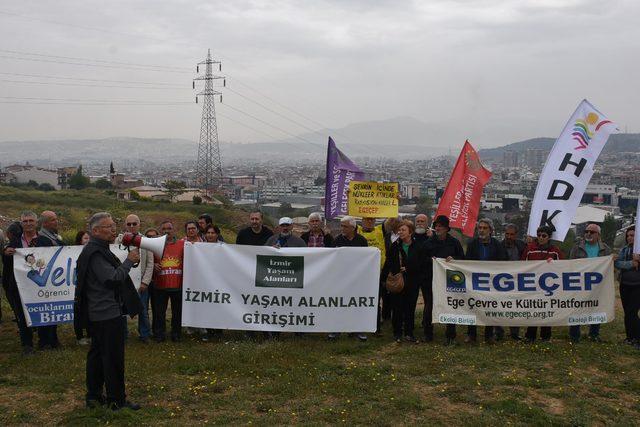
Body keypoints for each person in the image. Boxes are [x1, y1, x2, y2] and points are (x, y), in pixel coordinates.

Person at [75, 212, 142, 410]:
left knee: (97, 356)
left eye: (114, 225)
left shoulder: (97, 249)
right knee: (112, 359)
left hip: (99, 313)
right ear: (95, 231)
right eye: (108, 227)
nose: (114, 230)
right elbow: (112, 278)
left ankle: (94, 397)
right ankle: (116, 400)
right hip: (106, 314)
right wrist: (129, 261)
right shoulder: (96, 253)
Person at [464, 218, 507, 344]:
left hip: (491, 283)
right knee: (473, 307)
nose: (481, 230)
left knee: (490, 308)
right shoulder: (472, 244)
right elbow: (466, 262)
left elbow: (503, 262)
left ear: (491, 230)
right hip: (475, 281)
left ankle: (489, 335)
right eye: (480, 228)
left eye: (484, 228)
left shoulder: (497, 245)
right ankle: (471, 334)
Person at [568, 223, 612, 342]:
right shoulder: (577, 247)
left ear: (598, 235)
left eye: (592, 232)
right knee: (576, 308)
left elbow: (609, 267)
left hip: (597, 285)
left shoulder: (606, 249)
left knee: (596, 308)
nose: (588, 234)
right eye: (586, 231)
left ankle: (594, 334)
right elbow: (570, 265)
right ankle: (574, 335)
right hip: (579, 284)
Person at [384, 220, 426, 343]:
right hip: (398, 282)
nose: (400, 232)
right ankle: (397, 333)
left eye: (403, 230)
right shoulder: (395, 246)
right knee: (397, 308)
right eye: (399, 230)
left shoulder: (418, 246)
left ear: (410, 232)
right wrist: (384, 278)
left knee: (410, 308)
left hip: (412, 282)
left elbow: (422, 263)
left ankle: (409, 333)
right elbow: (389, 263)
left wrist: (408, 268)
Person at [521, 225, 564, 343]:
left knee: (546, 310)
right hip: (533, 285)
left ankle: (545, 336)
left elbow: (563, 266)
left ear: (549, 237)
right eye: (539, 235)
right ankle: (530, 335)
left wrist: (554, 263)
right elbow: (522, 265)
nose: (540, 238)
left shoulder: (555, 251)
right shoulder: (530, 248)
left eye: (544, 236)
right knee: (533, 309)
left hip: (549, 287)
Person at [329, 216, 369, 342]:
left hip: (357, 280)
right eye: (341, 225)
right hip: (340, 280)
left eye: (345, 226)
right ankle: (335, 330)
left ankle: (357, 330)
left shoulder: (362, 240)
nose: (342, 228)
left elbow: (366, 259)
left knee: (356, 304)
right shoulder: (337, 240)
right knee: (339, 305)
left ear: (353, 227)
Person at [428, 215, 465, 345]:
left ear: (446, 229)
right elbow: (422, 257)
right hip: (432, 279)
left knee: (450, 306)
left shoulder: (454, 242)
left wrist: (453, 258)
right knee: (430, 305)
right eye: (436, 226)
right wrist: (430, 260)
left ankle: (451, 335)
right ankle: (428, 333)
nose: (438, 228)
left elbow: (462, 258)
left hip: (450, 280)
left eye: (441, 226)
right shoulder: (430, 242)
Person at [2, 219, 36, 354]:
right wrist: (5, 253)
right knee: (22, 314)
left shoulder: (44, 240)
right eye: (25, 221)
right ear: (22, 224)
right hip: (19, 285)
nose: (28, 223)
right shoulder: (13, 243)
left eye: (31, 220)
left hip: (39, 284)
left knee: (42, 309)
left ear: (36, 223)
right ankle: (27, 344)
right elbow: (6, 262)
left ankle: (47, 340)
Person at [121, 214, 155, 343]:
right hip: (124, 282)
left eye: (134, 224)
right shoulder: (119, 240)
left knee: (143, 311)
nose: (131, 226)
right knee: (122, 311)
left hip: (141, 283)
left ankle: (145, 334)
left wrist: (145, 282)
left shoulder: (146, 241)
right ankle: (123, 335)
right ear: (125, 225)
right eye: (128, 224)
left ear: (139, 224)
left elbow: (150, 263)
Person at [33, 210, 64, 350]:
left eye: (56, 219)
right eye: (52, 220)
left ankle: (53, 339)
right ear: (44, 223)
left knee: (54, 311)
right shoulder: (41, 239)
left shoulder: (55, 237)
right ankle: (45, 341)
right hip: (46, 281)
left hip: (56, 280)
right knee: (46, 311)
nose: (56, 221)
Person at [153, 220, 185, 342]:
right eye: (164, 229)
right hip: (160, 285)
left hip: (177, 285)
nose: (167, 231)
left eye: (169, 228)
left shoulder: (183, 244)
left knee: (177, 312)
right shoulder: (155, 245)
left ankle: (176, 334)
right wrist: (154, 265)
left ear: (174, 230)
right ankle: (159, 334)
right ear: (161, 231)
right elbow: (149, 260)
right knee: (159, 313)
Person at [359, 217, 387, 334]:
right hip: (360, 274)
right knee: (360, 300)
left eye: (372, 220)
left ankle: (376, 327)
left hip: (377, 272)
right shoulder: (357, 230)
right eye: (367, 220)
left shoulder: (379, 230)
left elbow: (391, 221)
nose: (369, 222)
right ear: (362, 221)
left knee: (375, 301)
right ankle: (359, 326)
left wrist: (394, 202)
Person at [614, 226, 640, 348]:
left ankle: (637, 339)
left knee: (632, 312)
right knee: (627, 313)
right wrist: (631, 263)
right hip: (624, 284)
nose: (630, 238)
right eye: (628, 236)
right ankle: (629, 337)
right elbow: (617, 263)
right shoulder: (624, 250)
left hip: (637, 286)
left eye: (633, 235)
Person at [501, 223, 527, 340]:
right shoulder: (499, 246)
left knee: (515, 306)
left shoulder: (522, 245)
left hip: (517, 281)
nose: (509, 236)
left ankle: (515, 333)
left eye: (511, 234)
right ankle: (499, 332)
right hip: (501, 281)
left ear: (516, 235)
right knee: (499, 306)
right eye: (507, 234)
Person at [74, 230, 92, 345]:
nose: (88, 241)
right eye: (85, 238)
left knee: (90, 311)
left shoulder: (94, 252)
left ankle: (90, 334)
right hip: (77, 288)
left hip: (89, 287)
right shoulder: (73, 251)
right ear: (80, 240)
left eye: (90, 238)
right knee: (78, 311)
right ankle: (80, 336)